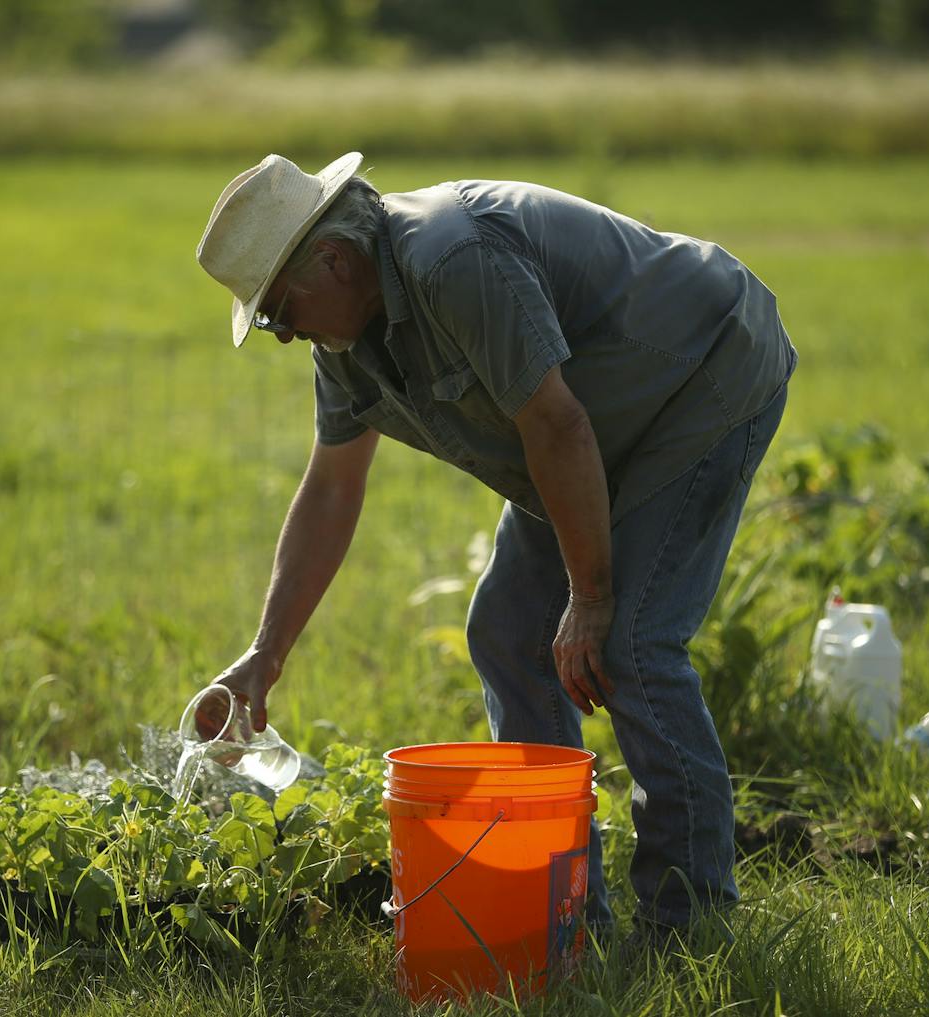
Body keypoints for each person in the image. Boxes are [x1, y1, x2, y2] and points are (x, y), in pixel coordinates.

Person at [195, 151, 796, 944]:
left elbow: (555, 423)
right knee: (509, 634)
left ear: (334, 260)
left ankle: (689, 933)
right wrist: (263, 656)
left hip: (699, 372)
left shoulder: (452, 258)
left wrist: (590, 594)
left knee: (633, 642)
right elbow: (332, 488)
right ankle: (566, 914)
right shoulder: (344, 347)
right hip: (591, 432)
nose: (281, 333)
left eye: (276, 309)